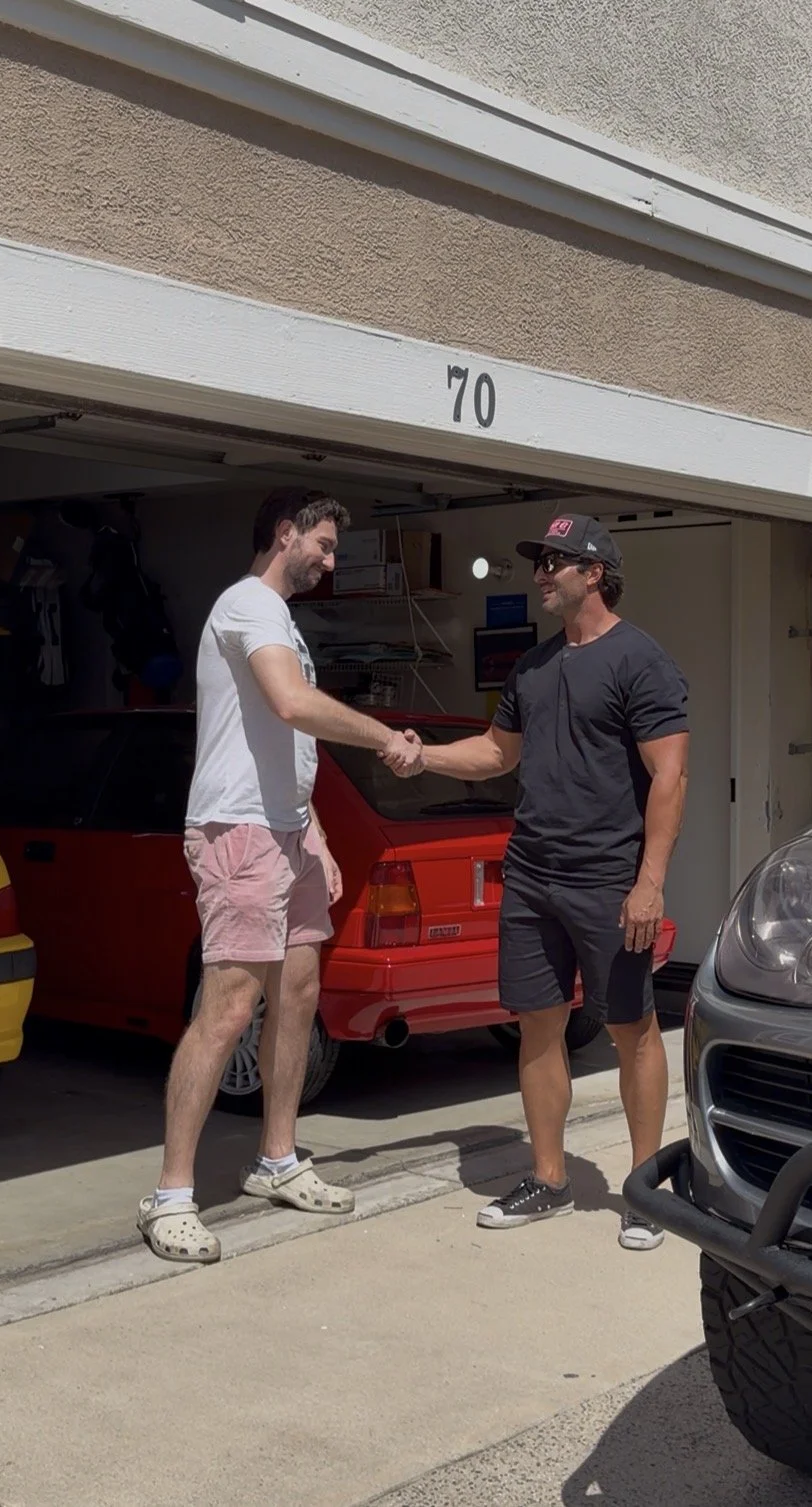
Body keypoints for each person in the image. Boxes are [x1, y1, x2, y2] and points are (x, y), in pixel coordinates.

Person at [387, 514, 688, 1250]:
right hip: (532, 875)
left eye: (556, 561)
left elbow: (670, 774)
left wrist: (649, 883)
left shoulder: (639, 660)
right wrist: (422, 758)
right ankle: (549, 1178)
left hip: (608, 880)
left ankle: (644, 1190)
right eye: (540, 561)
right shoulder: (533, 665)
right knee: (537, 1023)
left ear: (595, 572)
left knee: (632, 1030)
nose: (541, 573)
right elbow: (497, 754)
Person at [138, 488, 422, 1264]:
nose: (330, 561)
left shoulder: (281, 620)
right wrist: (386, 738)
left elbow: (282, 740)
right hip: (238, 831)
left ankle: (278, 1159)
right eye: (324, 545)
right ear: (285, 533)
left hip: (289, 832)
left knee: (297, 994)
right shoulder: (246, 606)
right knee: (228, 1008)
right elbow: (293, 705)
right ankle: (170, 1196)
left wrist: (316, 829)